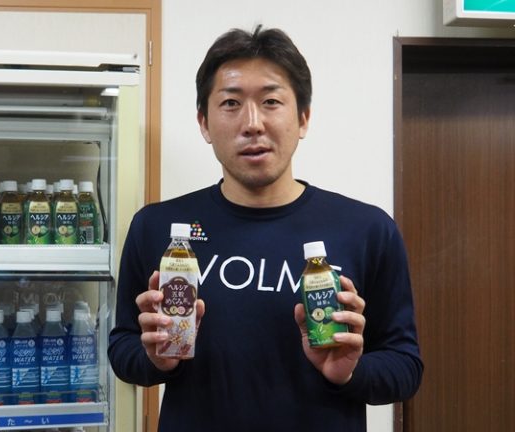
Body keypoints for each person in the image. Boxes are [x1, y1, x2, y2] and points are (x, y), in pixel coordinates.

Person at [108, 25, 423, 431]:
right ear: (204, 123)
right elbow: (122, 349)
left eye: (271, 101)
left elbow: (405, 366)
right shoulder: (157, 228)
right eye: (231, 103)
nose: (252, 123)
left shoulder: (367, 230)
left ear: (303, 118)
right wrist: (156, 360)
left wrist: (351, 372)